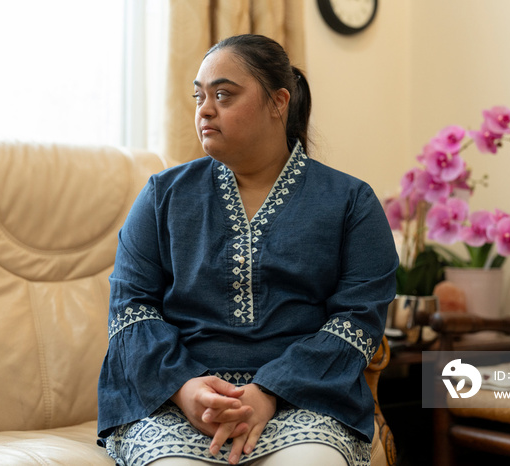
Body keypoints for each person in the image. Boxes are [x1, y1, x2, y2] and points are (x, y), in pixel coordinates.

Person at [97, 34, 398, 466]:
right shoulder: (163, 196)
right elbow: (130, 308)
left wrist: (269, 391)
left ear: (278, 102)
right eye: (199, 96)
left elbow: (359, 320)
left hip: (305, 400)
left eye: (223, 95)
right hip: (175, 402)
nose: (204, 109)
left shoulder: (351, 202)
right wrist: (187, 389)